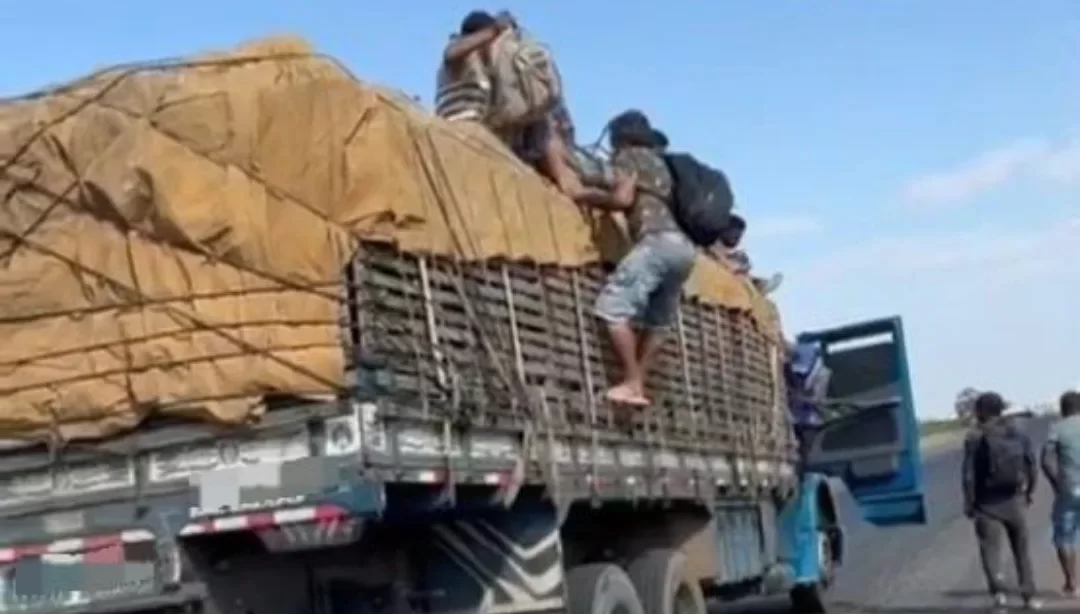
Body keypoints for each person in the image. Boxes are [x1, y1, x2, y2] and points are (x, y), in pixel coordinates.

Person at [590, 111, 697, 407]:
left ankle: (632, 381)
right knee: (658, 322)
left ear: (619, 137)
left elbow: (623, 199)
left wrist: (586, 196)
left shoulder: (628, 157)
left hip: (657, 242)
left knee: (611, 308)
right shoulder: (661, 165)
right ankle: (638, 383)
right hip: (684, 250)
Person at [962, 391, 1041, 610]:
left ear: (980, 412)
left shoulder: (974, 438)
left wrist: (969, 502)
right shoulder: (1017, 434)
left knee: (991, 552)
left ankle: (1000, 596)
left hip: (986, 504)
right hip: (1014, 500)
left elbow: (969, 475)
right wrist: (1029, 493)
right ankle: (1029, 596)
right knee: (1022, 551)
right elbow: (1031, 466)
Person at [1042, 390, 1080, 597]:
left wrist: (1057, 484)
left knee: (1064, 537)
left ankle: (1072, 584)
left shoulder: (1056, 429)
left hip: (1070, 488)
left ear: (1063, 408)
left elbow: (1046, 461)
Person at [708, 216, 782, 295]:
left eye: (739, 236)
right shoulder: (712, 248)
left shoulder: (735, 255)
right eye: (734, 234)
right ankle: (759, 285)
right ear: (723, 230)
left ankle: (759, 284)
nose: (737, 238)